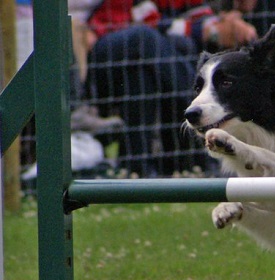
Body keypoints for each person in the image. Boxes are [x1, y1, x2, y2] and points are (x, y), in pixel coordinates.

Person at [80, 0, 258, 177]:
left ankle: (146, 166)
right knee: (145, 37)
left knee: (149, 68)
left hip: (135, 52)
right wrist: (210, 30)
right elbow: (146, 18)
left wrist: (221, 25)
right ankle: (200, 106)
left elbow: (194, 13)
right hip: (99, 42)